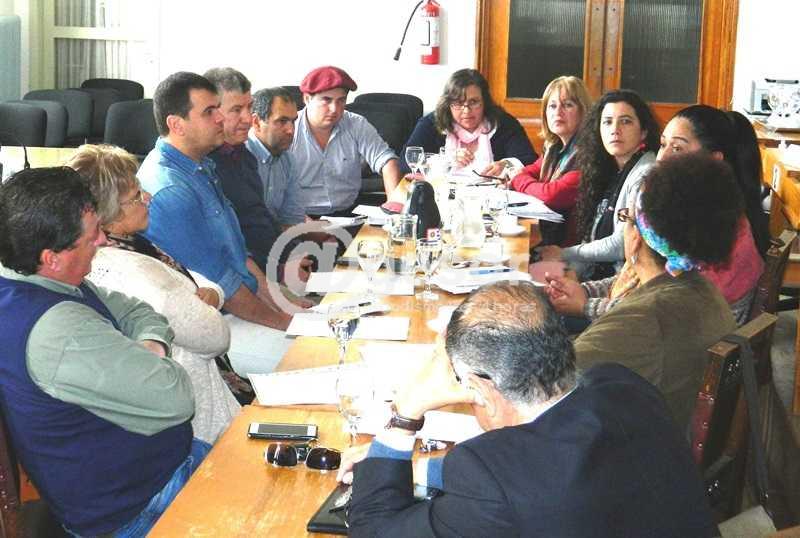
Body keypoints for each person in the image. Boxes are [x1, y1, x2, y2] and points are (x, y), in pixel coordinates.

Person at [338, 282, 717, 537]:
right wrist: (421, 468)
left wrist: (406, 410)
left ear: (479, 389)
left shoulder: (492, 478)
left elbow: (374, 528)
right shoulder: (621, 384)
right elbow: (542, 473)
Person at [0, 167, 204, 536]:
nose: (104, 239)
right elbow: (177, 397)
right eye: (92, 234)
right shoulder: (58, 331)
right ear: (52, 257)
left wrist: (150, 347)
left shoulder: (41, 281)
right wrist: (151, 359)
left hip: (163, 473)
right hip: (144, 507)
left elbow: (138, 311)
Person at [549, 154, 738, 427]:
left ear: (636, 237)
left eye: (626, 217)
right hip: (656, 429)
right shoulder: (697, 287)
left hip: (636, 443)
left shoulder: (646, 319)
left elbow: (548, 387)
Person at [69, 144, 241, 443]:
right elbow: (215, 337)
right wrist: (208, 296)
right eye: (137, 196)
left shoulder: (131, 244)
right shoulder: (137, 271)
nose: (148, 198)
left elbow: (198, 279)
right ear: (108, 213)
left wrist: (212, 293)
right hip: (197, 420)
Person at [138, 71, 295, 376]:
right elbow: (225, 285)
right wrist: (283, 322)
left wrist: (281, 304)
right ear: (176, 124)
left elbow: (238, 255)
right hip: (213, 327)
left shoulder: (201, 167)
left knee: (325, 324)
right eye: (210, 112)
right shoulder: (170, 189)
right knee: (315, 355)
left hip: (239, 308)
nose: (220, 118)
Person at [204, 68, 313, 281]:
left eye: (249, 107)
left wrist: (291, 254)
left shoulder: (242, 156)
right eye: (237, 109)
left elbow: (261, 220)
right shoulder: (206, 164)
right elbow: (230, 243)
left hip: (268, 266)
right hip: (245, 278)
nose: (246, 118)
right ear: (212, 113)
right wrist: (280, 271)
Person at [538, 89, 659, 280]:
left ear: (644, 131)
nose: (615, 130)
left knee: (524, 285)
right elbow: (592, 239)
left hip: (617, 283)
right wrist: (570, 273)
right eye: (607, 122)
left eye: (625, 121)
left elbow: (621, 245)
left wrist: (564, 254)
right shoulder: (611, 168)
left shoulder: (645, 174)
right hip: (591, 274)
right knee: (520, 275)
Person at [291, 65, 402, 216]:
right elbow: (276, 193)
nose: (334, 109)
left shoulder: (357, 124)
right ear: (307, 99)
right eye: (326, 100)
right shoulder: (289, 129)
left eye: (341, 100)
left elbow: (387, 161)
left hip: (349, 213)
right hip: (300, 216)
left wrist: (393, 209)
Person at [401, 68, 537, 176]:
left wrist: (506, 164)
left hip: (492, 195)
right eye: (458, 103)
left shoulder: (504, 123)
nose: (466, 110)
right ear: (448, 104)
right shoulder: (432, 123)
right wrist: (446, 160)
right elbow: (406, 162)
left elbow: (530, 160)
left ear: (485, 102)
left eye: (473, 102)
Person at [507, 76, 592, 245]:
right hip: (549, 235)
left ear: (583, 111)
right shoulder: (554, 147)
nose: (558, 112)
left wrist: (518, 179)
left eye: (567, 105)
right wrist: (521, 177)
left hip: (572, 248)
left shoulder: (588, 153)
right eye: (552, 106)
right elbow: (532, 170)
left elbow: (551, 195)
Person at [246, 86, 307, 227]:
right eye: (282, 121)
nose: (291, 130)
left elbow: (293, 219)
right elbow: (248, 226)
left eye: (293, 121)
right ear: (256, 122)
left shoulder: (288, 160)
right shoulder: (240, 157)